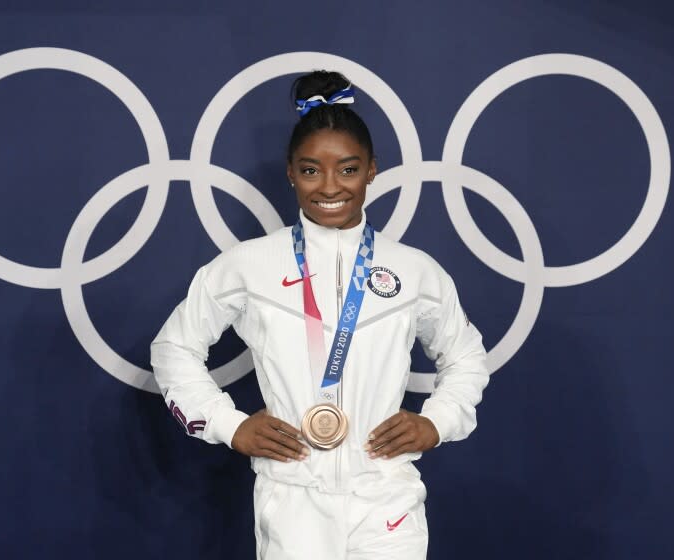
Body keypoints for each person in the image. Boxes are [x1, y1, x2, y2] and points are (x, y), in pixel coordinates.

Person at [151, 70, 489, 559]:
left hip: (386, 495)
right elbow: (173, 348)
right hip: (292, 498)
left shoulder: (414, 271)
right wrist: (228, 423)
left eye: (348, 169)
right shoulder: (247, 265)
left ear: (372, 170)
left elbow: (466, 358)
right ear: (290, 172)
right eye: (311, 170)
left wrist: (437, 420)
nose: (329, 186)